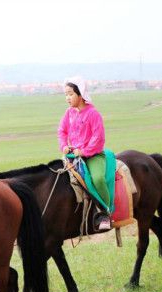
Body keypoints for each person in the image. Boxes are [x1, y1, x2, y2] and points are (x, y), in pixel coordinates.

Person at [58, 77, 111, 231]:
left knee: (98, 179)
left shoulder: (93, 114)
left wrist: (84, 151)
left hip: (93, 155)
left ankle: (106, 213)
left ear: (80, 94)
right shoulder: (69, 113)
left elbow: (98, 137)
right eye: (65, 94)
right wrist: (64, 146)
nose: (67, 98)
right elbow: (61, 131)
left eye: (70, 94)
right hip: (73, 156)